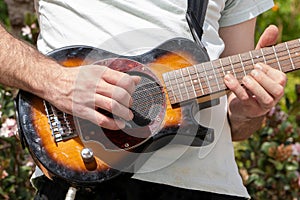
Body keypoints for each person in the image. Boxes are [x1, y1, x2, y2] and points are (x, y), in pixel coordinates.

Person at [0, 0, 287, 199]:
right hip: (92, 171)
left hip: (214, 184)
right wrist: (57, 81)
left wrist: (248, 110)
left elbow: (236, 117)